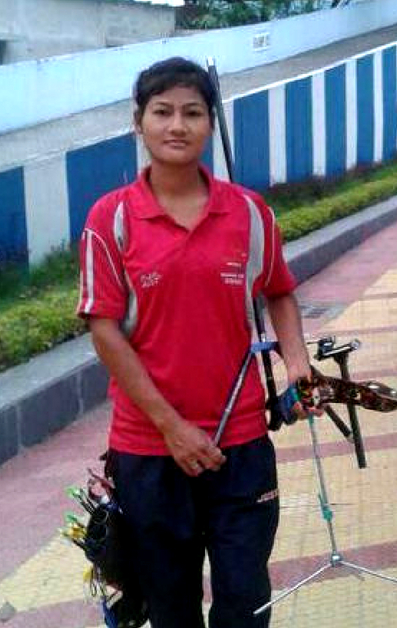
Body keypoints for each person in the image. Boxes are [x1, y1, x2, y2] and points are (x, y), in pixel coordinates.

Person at [76, 57, 314, 628]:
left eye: (192, 112)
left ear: (211, 123)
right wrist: (171, 427)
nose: (176, 125)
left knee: (245, 600)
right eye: (162, 112)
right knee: (169, 608)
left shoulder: (250, 213)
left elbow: (279, 292)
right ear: (139, 122)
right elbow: (103, 329)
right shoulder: (111, 220)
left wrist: (298, 366)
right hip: (149, 451)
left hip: (241, 445)